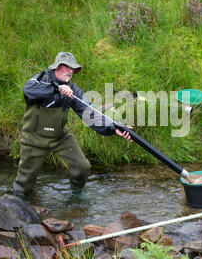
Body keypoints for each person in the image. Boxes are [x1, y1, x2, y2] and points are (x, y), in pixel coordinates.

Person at [12, 52, 132, 200]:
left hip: (60, 138)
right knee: (25, 181)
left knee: (83, 167)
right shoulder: (41, 79)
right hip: (33, 139)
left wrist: (113, 128)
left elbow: (90, 115)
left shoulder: (73, 91)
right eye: (66, 67)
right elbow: (28, 90)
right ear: (56, 67)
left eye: (72, 69)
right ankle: (18, 202)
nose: (70, 71)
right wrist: (56, 89)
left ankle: (77, 192)